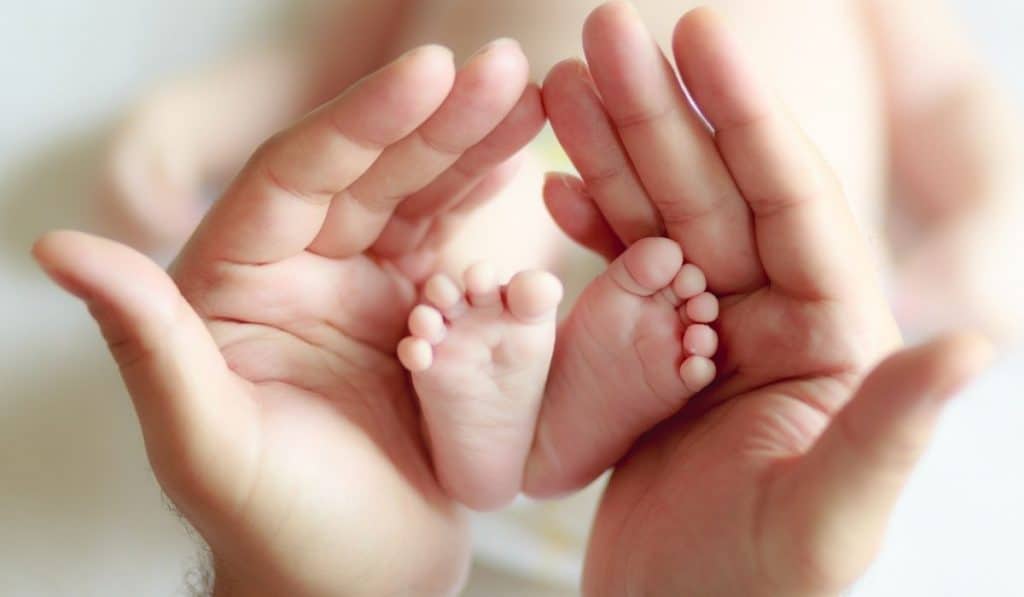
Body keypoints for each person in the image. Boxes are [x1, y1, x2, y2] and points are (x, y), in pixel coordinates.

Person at [34, 4, 994, 595]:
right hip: (477, 286)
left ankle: (542, 406)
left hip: (757, 308)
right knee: (471, 232)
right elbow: (312, 70)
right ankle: (509, 416)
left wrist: (992, 228)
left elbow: (952, 99)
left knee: (526, 260)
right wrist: (178, 129)